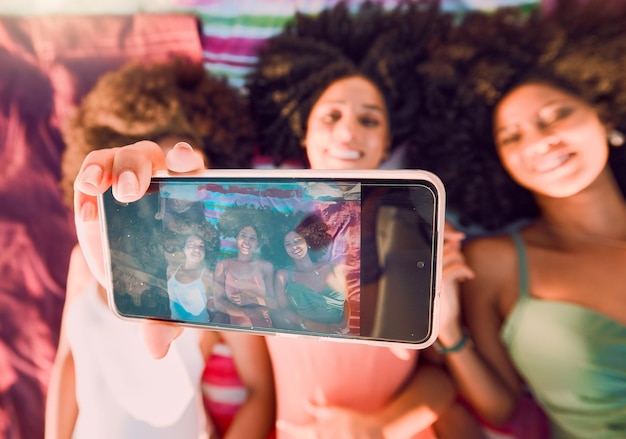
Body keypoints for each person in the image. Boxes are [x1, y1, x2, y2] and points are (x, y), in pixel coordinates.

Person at [68, 3, 480, 438]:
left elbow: (441, 381)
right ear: (305, 132)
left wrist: (378, 427)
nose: (347, 132)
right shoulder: (268, 230)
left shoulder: (418, 226)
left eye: (369, 120)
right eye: (331, 116)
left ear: (387, 142)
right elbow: (173, 385)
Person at [408, 2, 626, 438]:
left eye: (559, 114)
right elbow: (501, 408)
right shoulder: (495, 262)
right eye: (512, 137)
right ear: (498, 164)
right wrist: (447, 328)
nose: (542, 141)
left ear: (604, 114)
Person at [46, 60, 275, 439]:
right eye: (163, 177)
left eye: (192, 182)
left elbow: (260, 391)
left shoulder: (221, 276)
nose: (177, 193)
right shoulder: (85, 258)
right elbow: (68, 364)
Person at [273, 213, 350, 334]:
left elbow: (346, 301)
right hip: (307, 337)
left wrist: (344, 324)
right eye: (288, 244)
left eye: (297, 240)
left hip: (340, 335)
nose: (294, 246)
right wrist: (309, 325)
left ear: (308, 242)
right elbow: (284, 309)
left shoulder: (334, 268)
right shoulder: (282, 276)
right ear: (284, 250)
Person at [213, 206, 276, 328]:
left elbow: (274, 304)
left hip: (262, 328)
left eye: (252, 238)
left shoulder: (266, 267)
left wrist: (252, 298)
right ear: (236, 237)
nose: (247, 241)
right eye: (243, 235)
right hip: (234, 328)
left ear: (258, 243)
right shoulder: (223, 265)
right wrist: (249, 312)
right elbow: (218, 303)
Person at [167, 233, 215, 323]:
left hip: (199, 331)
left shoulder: (208, 275)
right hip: (174, 329)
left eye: (201, 246)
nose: (197, 249)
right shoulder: (171, 269)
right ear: (183, 248)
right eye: (191, 244)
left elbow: (214, 309)